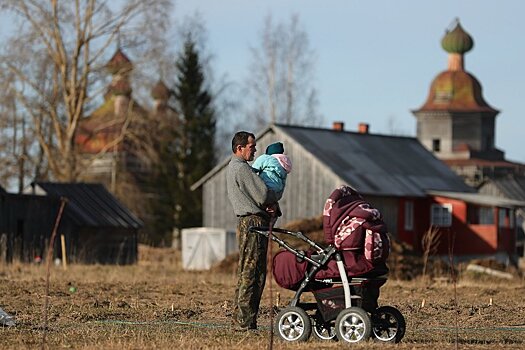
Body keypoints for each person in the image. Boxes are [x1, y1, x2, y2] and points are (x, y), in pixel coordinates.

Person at [226, 131, 279, 331]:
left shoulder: (235, 168)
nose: (255, 151)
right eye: (252, 147)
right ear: (239, 148)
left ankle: (243, 320)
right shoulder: (242, 169)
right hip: (253, 223)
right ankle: (244, 323)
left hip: (250, 222)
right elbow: (263, 193)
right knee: (252, 273)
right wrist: (273, 198)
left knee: (249, 271)